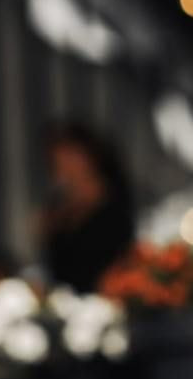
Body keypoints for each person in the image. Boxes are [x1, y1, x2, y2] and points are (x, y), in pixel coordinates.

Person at [36, 122, 135, 293]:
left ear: (89, 156)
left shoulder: (112, 198)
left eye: (71, 156)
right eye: (58, 159)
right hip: (66, 297)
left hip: (106, 295)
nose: (65, 165)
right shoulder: (57, 206)